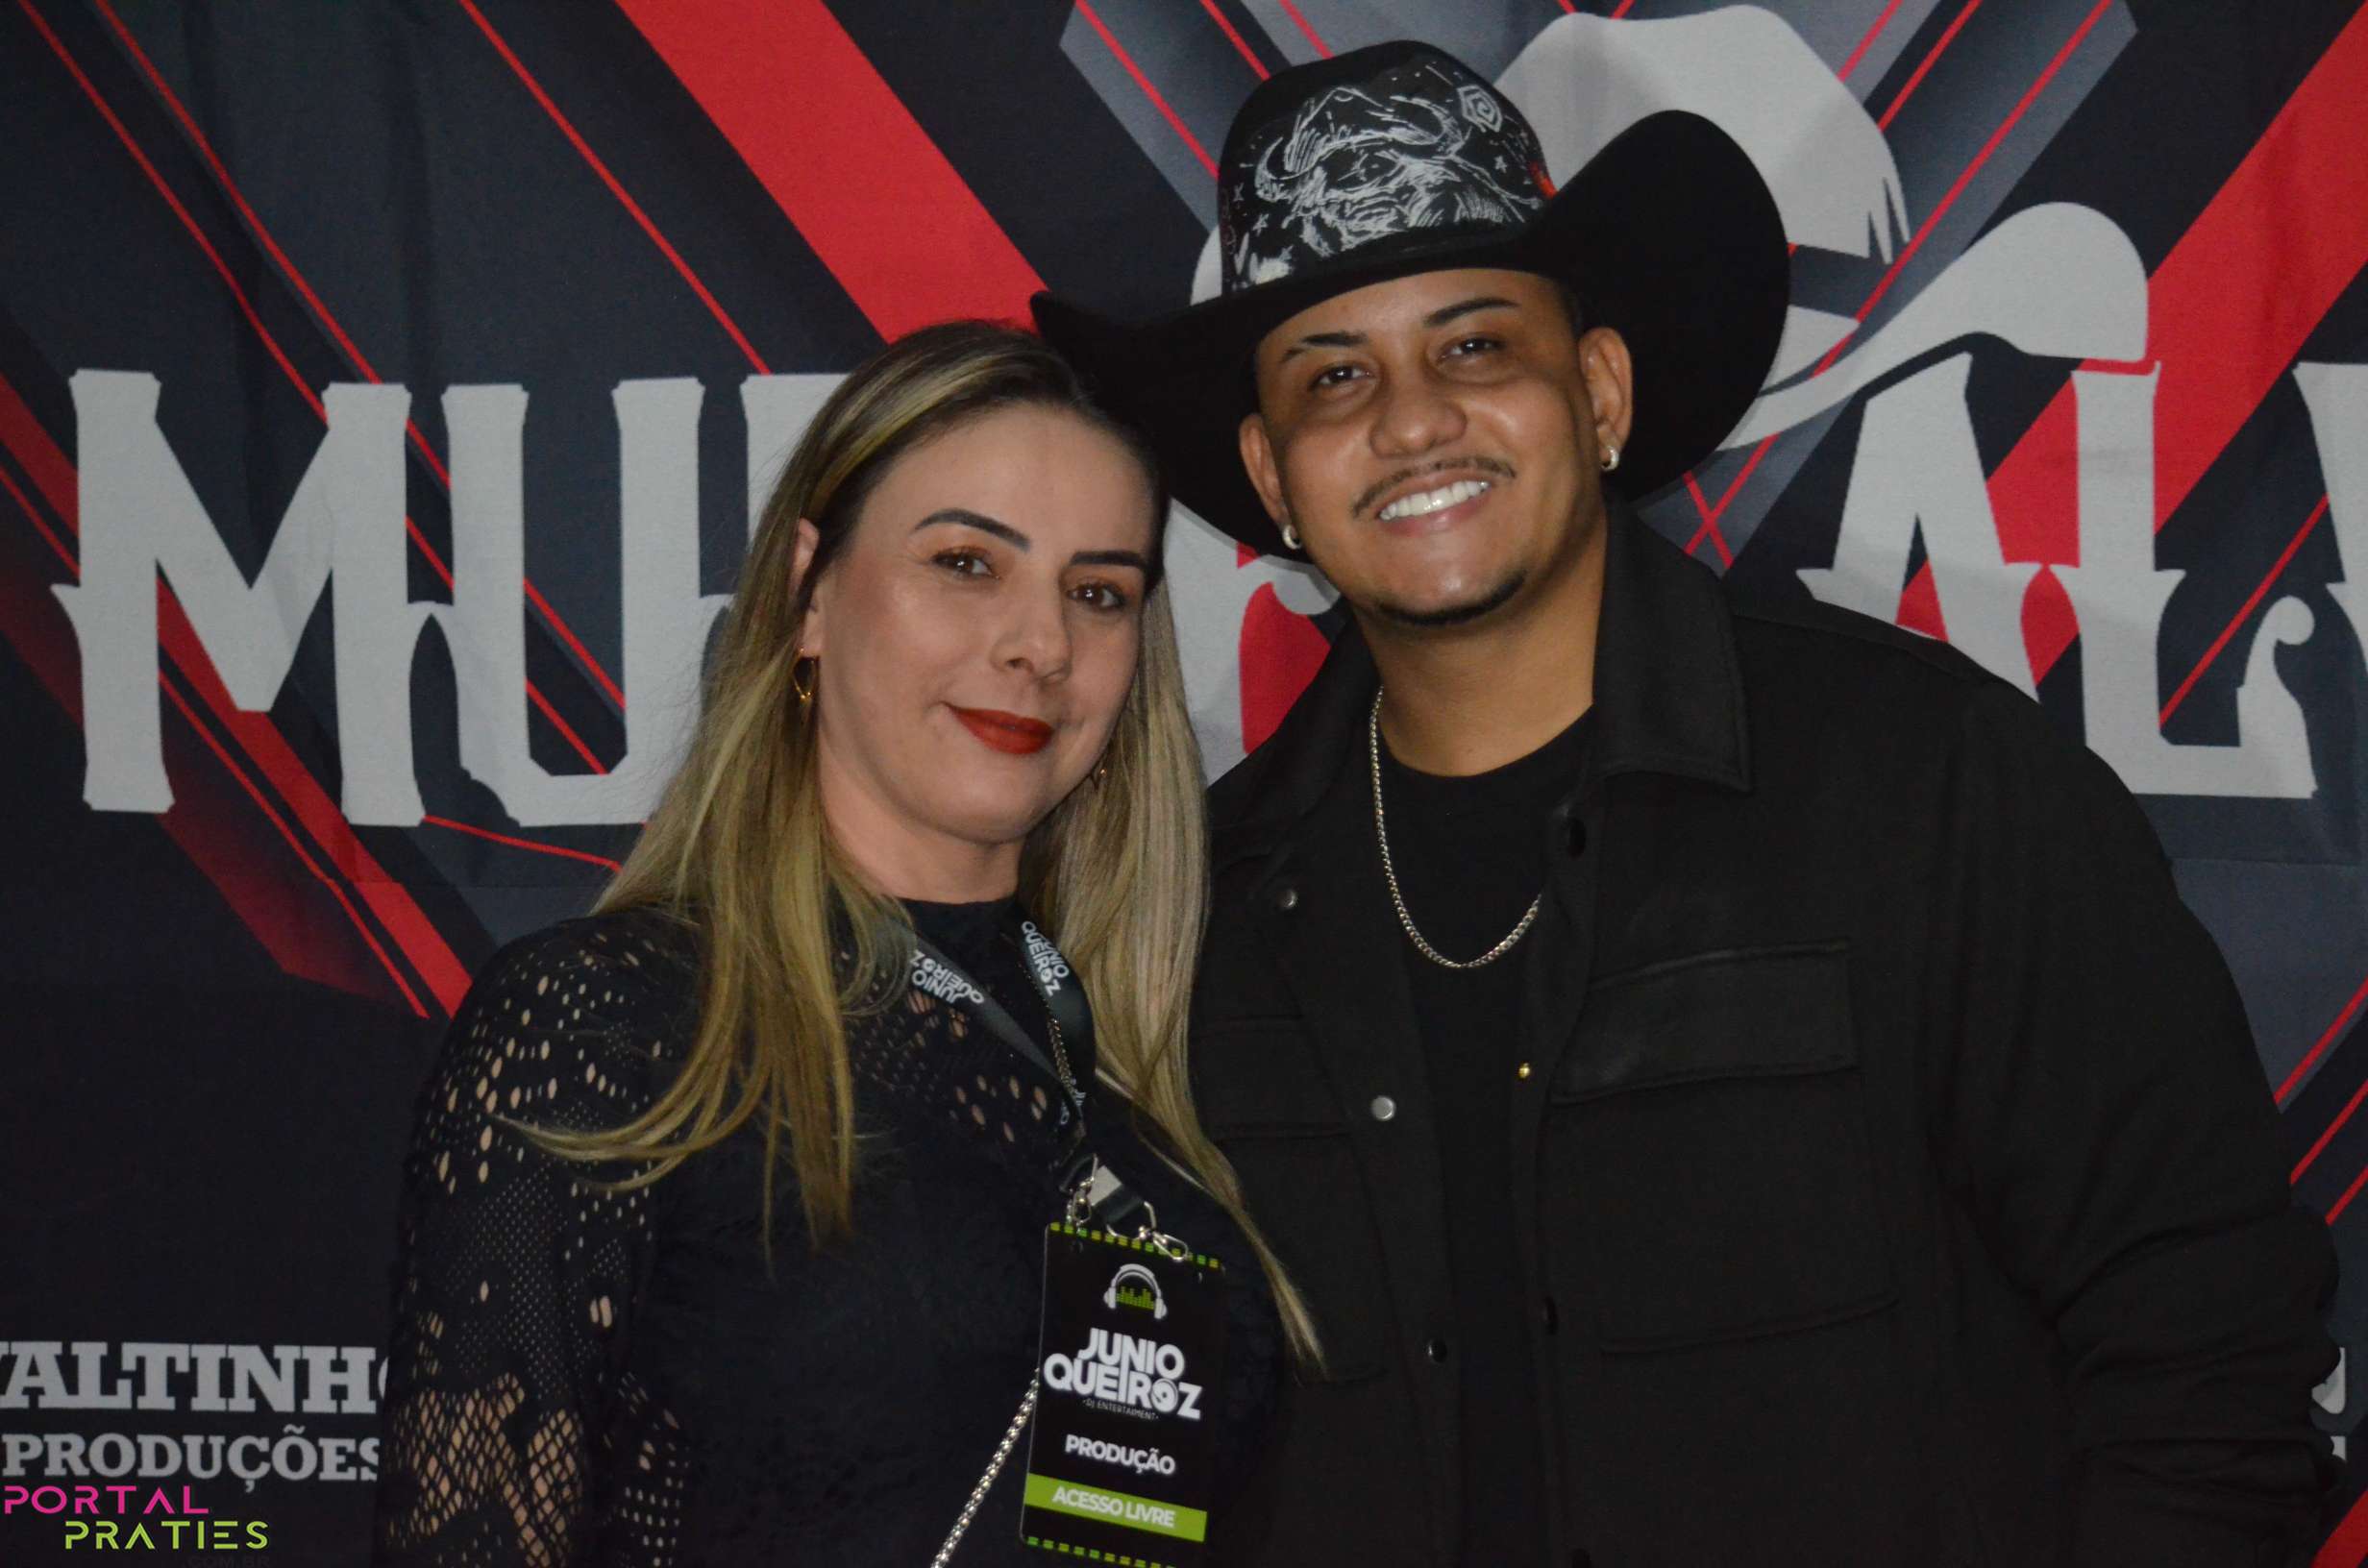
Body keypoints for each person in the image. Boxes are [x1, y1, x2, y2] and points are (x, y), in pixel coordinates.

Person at [1035, 40, 2337, 1568]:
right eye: (1334, 375)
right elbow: (1123, 1475)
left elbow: (2213, 1366)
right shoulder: (1185, 913)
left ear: (1597, 391)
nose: (1411, 420)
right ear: (1271, 474)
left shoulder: (1932, 787)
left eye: (1475, 346)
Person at [371, 323, 1307, 1565]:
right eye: (967, 563)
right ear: (811, 592)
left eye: (1098, 593)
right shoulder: (612, 1023)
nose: (1041, 645)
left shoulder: (1129, 1060)